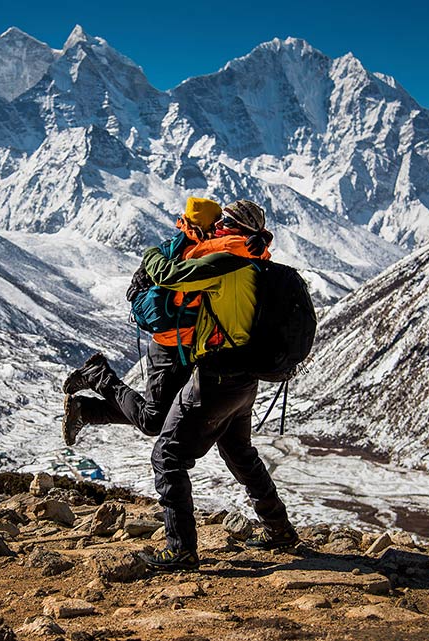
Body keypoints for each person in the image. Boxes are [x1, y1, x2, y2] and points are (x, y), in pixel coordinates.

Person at [136, 199, 297, 572]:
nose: (218, 227)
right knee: (240, 452)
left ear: (232, 227)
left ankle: (181, 549)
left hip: (218, 376)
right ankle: (280, 530)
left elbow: (169, 275)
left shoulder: (224, 261)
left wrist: (150, 252)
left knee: (168, 456)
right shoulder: (258, 258)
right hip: (245, 378)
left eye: (223, 222)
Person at [60, 197, 224, 444]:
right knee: (153, 421)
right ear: (207, 226)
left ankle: (85, 410)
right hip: (170, 349)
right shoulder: (195, 257)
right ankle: (98, 376)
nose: (220, 229)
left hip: (181, 347)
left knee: (164, 416)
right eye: (217, 224)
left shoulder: (179, 248)